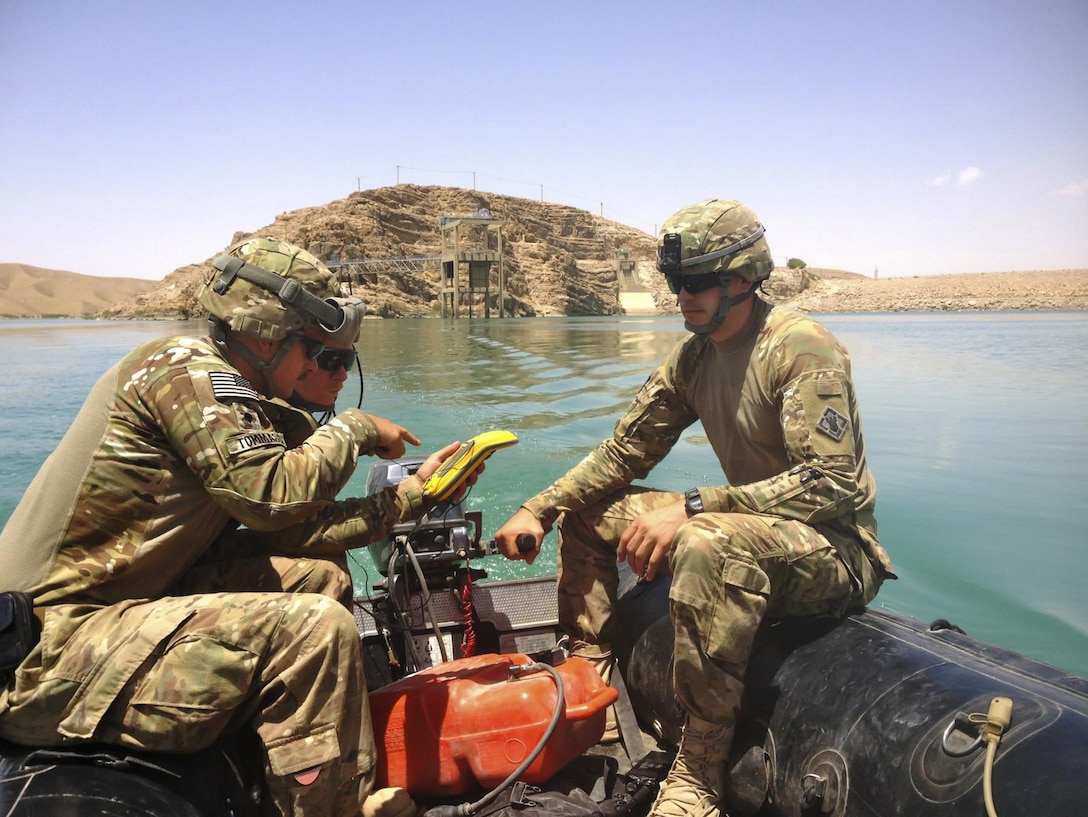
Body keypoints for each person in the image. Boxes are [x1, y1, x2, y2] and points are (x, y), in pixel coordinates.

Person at [0, 236, 473, 817]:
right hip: (45, 654)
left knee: (318, 578)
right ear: (261, 335)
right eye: (309, 347)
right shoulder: (184, 372)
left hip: (113, 614)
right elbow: (271, 499)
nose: (313, 365)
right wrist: (352, 429)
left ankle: (297, 776)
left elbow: (295, 532)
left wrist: (413, 496)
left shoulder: (233, 394)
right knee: (314, 630)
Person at [495, 199, 895, 817]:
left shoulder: (799, 348)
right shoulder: (694, 357)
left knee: (709, 541)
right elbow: (623, 452)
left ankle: (699, 773)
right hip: (752, 525)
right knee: (593, 510)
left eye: (696, 283)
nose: (681, 296)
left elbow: (831, 482)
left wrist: (695, 506)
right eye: (675, 282)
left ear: (741, 278)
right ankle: (591, 687)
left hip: (834, 546)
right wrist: (540, 508)